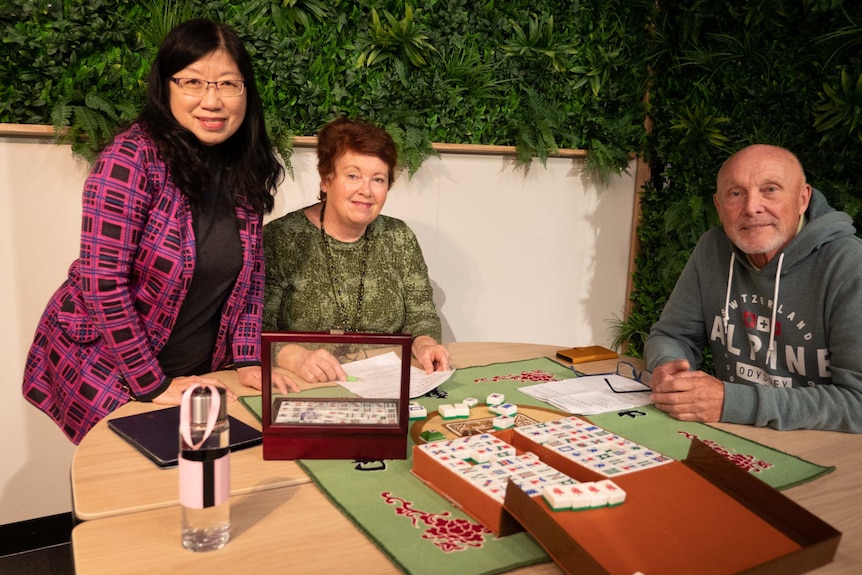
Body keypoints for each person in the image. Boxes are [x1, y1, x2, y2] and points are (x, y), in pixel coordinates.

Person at [22, 19, 295, 444]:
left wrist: (246, 360)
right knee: (133, 493)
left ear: (246, 91)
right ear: (166, 87)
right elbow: (102, 283)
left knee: (206, 488)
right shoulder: (130, 159)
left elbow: (251, 278)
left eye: (228, 84)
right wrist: (154, 384)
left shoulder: (242, 165)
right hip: (114, 367)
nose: (212, 100)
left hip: (198, 373)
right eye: (193, 82)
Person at [644, 144, 862, 433]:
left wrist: (733, 402)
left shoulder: (849, 266)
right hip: (738, 434)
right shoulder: (712, 249)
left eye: (770, 189)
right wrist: (669, 366)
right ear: (719, 206)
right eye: (736, 194)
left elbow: (857, 404)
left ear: (802, 199)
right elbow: (672, 335)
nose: (751, 208)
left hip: (827, 449)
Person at [263, 116, 450, 383]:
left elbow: (421, 314)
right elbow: (255, 328)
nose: (366, 190)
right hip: (307, 383)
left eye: (378, 179)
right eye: (353, 176)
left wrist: (426, 344)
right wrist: (297, 358)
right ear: (326, 180)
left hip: (388, 382)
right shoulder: (282, 238)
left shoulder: (398, 237)